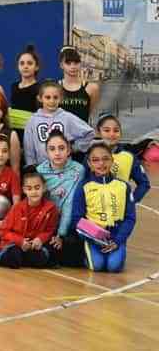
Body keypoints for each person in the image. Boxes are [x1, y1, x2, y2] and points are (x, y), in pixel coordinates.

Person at [70, 141, 136, 273]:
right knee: (97, 266)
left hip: (116, 236)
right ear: (89, 164)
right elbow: (77, 219)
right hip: (93, 237)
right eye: (95, 160)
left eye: (106, 159)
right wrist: (94, 237)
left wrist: (118, 240)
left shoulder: (124, 187)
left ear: (112, 160)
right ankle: (85, 252)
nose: (101, 164)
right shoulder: (84, 187)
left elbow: (130, 218)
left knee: (114, 267)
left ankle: (119, 248)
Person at [0, 169, 58, 269]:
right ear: (24, 190)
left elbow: (49, 230)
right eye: (29, 189)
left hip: (33, 246)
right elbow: (3, 231)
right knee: (15, 257)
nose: (33, 192)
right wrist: (20, 241)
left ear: (44, 188)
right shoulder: (17, 208)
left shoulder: (51, 208)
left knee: (41, 258)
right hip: (14, 244)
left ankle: (21, 259)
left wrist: (39, 239)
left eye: (37, 188)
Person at [36, 131, 87, 268]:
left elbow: (70, 203)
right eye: (52, 149)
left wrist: (61, 235)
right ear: (46, 152)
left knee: (73, 259)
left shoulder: (78, 170)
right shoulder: (40, 171)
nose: (57, 153)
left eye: (61, 148)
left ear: (69, 150)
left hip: (70, 223)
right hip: (48, 223)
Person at [23, 82, 95, 167]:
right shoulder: (33, 120)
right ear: (40, 98)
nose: (52, 101)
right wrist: (31, 165)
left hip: (65, 168)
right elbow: (28, 147)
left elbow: (89, 133)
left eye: (55, 97)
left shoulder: (67, 117)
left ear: (61, 98)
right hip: (42, 168)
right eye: (47, 97)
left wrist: (74, 148)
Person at [95, 114, 151, 201]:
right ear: (98, 132)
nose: (112, 134)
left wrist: (131, 200)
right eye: (106, 130)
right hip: (93, 209)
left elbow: (144, 183)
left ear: (121, 133)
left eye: (116, 130)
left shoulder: (129, 157)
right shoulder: (90, 154)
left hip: (119, 211)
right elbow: (82, 182)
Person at [58, 45, 100, 123]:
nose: (73, 66)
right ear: (61, 65)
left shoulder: (92, 88)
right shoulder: (55, 87)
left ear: (80, 63)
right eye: (68, 63)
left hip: (82, 133)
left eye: (76, 62)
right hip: (59, 133)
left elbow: (89, 112)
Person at [8, 44, 42, 138]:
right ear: (18, 66)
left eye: (29, 63)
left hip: (32, 134)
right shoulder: (14, 86)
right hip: (14, 134)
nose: (25, 66)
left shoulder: (40, 89)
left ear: (36, 67)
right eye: (22, 63)